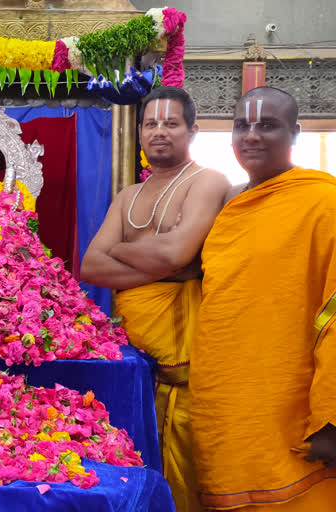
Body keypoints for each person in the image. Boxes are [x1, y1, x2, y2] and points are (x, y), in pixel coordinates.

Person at [79, 86, 230, 511]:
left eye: (170, 123)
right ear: (140, 133)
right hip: (136, 362)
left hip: (189, 369)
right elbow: (91, 265)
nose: (158, 131)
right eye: (150, 124)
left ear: (192, 130)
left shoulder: (207, 181)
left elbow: (175, 253)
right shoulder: (129, 196)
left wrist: (126, 251)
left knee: (193, 473)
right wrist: (166, 260)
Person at [190, 87, 336, 510]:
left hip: (292, 407)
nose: (251, 136)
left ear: (295, 133)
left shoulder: (323, 202)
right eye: (242, 125)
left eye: (267, 125)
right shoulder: (231, 206)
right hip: (229, 399)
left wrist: (330, 418)